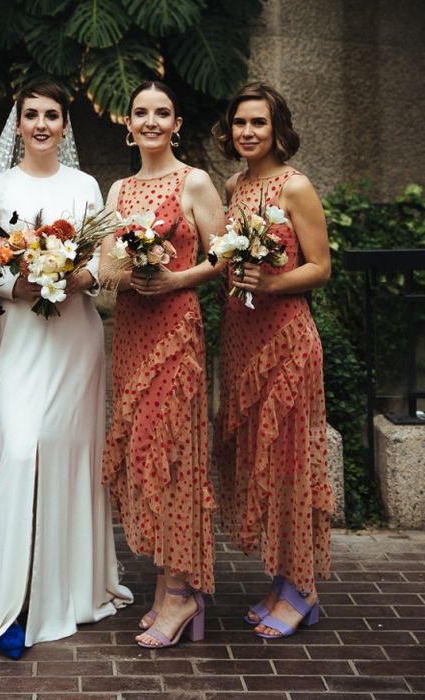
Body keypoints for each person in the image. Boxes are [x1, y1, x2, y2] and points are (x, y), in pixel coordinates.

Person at [0, 80, 132, 656]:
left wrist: (76, 277)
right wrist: (23, 280)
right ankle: (11, 605)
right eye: (30, 115)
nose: (41, 124)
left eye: (51, 115)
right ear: (18, 124)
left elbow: (109, 261)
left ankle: (68, 586)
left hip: (74, 340)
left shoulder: (84, 185)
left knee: (65, 456)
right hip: (21, 339)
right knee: (20, 451)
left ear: (65, 126)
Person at [100, 81, 223, 649]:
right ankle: (164, 585)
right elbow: (104, 269)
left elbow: (224, 255)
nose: (151, 121)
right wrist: (130, 267)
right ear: (129, 124)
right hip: (130, 331)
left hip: (175, 331)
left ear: (176, 124)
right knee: (143, 455)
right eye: (141, 113)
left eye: (163, 113)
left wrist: (174, 276)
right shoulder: (120, 187)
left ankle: (180, 590)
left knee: (173, 453)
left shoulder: (193, 180)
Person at [211, 82, 334, 638]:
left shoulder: (296, 186)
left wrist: (274, 280)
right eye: (240, 123)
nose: (248, 132)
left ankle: (303, 591)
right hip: (242, 339)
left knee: (289, 463)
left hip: (285, 343)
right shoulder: (235, 185)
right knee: (261, 459)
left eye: (258, 123)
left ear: (277, 128)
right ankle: (285, 580)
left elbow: (322, 266)